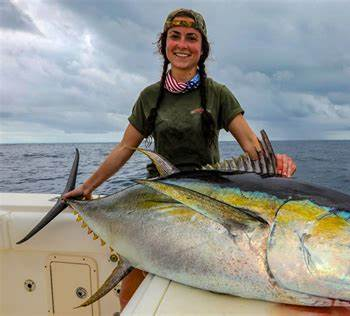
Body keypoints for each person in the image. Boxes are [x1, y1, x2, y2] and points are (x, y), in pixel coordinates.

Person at [63, 8, 296, 310]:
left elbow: (251, 144)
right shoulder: (150, 97)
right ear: (164, 45)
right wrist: (88, 187)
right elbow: (124, 148)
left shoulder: (217, 94)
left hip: (209, 197)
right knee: (130, 288)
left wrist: (275, 161)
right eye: (175, 37)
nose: (183, 45)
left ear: (202, 48)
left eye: (192, 38)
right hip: (158, 196)